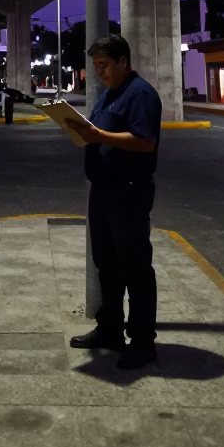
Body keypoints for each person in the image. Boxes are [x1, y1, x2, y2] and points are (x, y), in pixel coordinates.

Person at [69, 33, 162, 369]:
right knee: (106, 265)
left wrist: (98, 136)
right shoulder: (110, 94)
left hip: (129, 191)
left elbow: (144, 141)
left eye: (105, 65)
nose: (100, 72)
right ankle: (110, 329)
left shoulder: (141, 94)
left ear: (124, 61)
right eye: (96, 66)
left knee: (135, 268)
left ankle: (142, 341)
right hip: (104, 190)